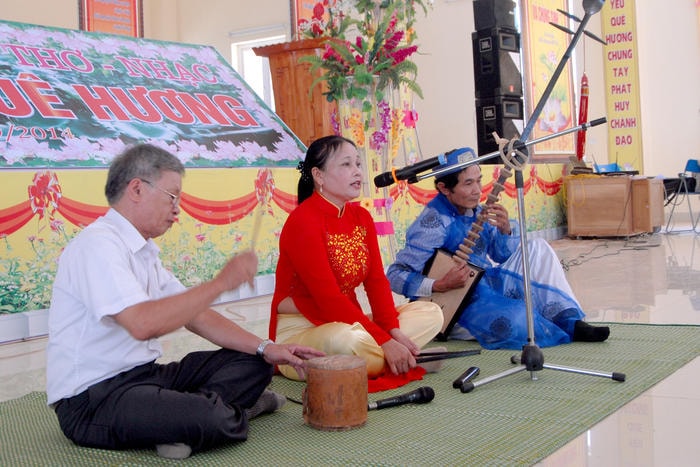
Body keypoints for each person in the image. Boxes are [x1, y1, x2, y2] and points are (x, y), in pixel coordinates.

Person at [46, 143, 324, 460]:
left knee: (255, 360)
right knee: (213, 419)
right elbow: (143, 324)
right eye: (172, 196)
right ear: (136, 188)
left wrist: (268, 348)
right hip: (94, 399)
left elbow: (198, 316)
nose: (177, 208)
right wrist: (221, 282)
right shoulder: (98, 245)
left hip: (145, 377)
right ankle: (223, 414)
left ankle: (181, 420)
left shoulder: (145, 251)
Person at [386, 147, 610, 350]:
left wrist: (505, 230)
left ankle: (571, 321)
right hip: (455, 306)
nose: (477, 190)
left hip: (488, 283)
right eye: (468, 184)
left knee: (538, 248)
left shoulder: (477, 210)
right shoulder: (433, 223)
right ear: (444, 188)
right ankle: (545, 321)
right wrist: (439, 284)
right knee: (518, 319)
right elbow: (395, 275)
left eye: (478, 181)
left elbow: (501, 255)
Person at [269, 135, 444, 381]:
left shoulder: (361, 217)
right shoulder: (302, 222)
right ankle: (406, 359)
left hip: (349, 321)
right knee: (346, 340)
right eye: (346, 164)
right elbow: (328, 299)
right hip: (303, 328)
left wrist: (392, 332)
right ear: (318, 175)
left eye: (358, 164)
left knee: (431, 313)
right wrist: (384, 341)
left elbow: (376, 283)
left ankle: (385, 359)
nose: (357, 172)